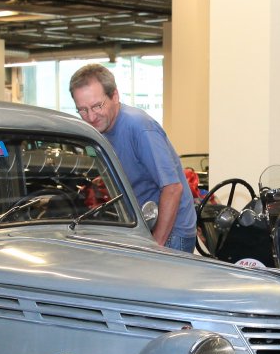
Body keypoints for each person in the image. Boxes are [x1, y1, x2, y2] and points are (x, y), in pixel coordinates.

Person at [68, 63, 196, 252]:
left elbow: (173, 188)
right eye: (83, 110)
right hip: (142, 228)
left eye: (97, 106)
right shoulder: (100, 131)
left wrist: (156, 247)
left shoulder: (140, 127)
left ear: (115, 96)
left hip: (172, 233)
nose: (91, 117)